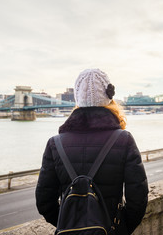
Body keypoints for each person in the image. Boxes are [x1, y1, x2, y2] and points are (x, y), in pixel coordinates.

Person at [35, 68, 149, 234]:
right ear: (109, 97)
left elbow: (44, 202)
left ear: (77, 99)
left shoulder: (55, 144)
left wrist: (69, 224)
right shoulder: (124, 140)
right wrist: (120, 228)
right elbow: (138, 198)